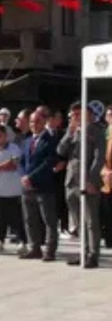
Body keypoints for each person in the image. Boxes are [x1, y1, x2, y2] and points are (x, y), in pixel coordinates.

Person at [57, 102, 106, 268]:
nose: (75, 118)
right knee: (78, 221)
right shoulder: (72, 132)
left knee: (91, 221)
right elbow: (60, 151)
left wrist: (92, 179)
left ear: (89, 115)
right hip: (71, 181)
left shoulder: (96, 131)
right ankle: (83, 252)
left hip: (87, 181)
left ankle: (93, 254)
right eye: (73, 115)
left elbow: (99, 157)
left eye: (78, 114)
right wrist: (69, 133)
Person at [19, 111, 59, 261]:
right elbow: (22, 162)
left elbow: (49, 162)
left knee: (48, 220)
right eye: (31, 122)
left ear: (44, 122)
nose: (34, 125)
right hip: (27, 186)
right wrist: (23, 176)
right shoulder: (28, 140)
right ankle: (34, 247)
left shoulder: (50, 140)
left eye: (37, 122)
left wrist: (31, 176)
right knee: (30, 219)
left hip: (43, 186)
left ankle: (50, 249)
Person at [0, 125, 27, 253]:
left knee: (17, 218)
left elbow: (14, 165)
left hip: (14, 190)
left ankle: (22, 241)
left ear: (5, 136)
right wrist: (5, 164)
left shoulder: (14, 148)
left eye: (0, 135)